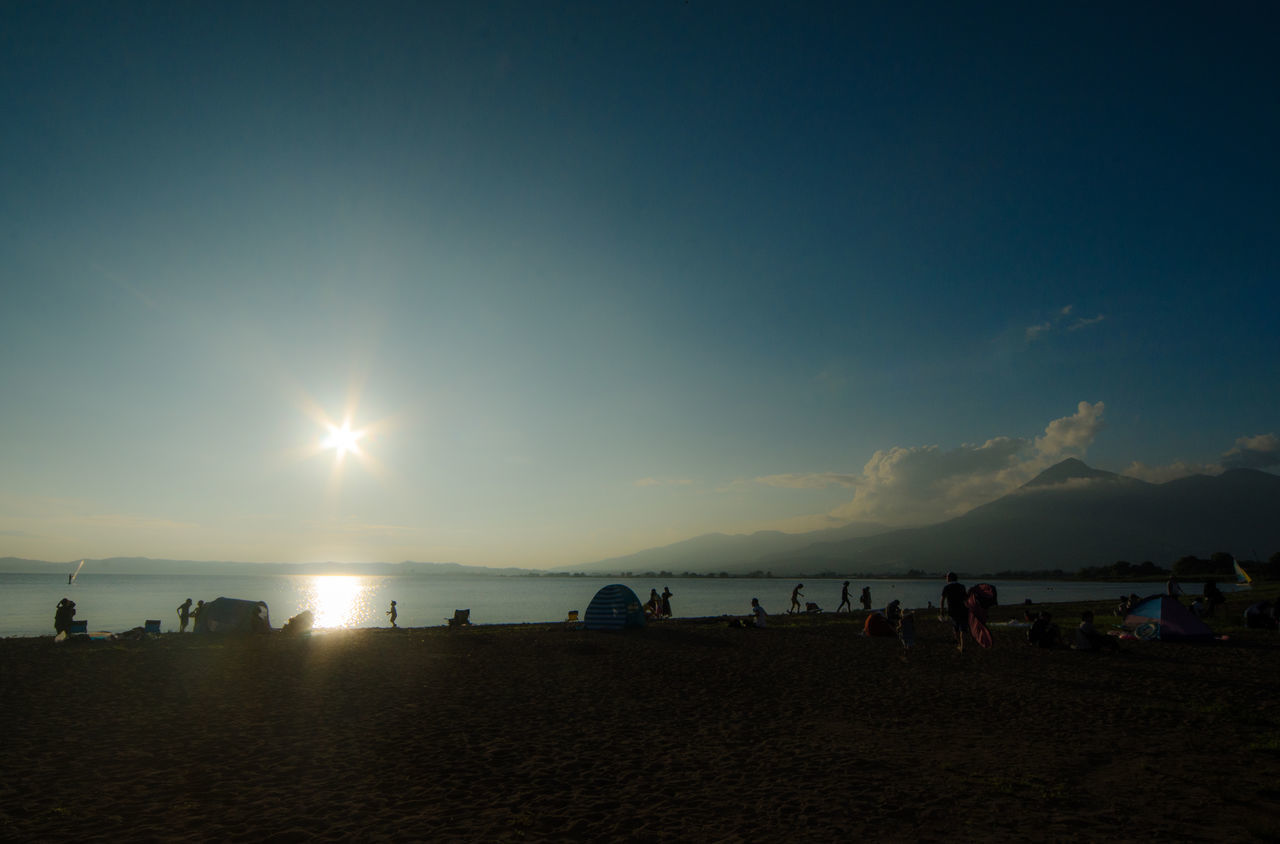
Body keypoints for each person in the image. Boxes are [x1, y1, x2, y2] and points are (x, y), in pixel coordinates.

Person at [940, 572, 968, 652]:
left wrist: (941, 610)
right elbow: (966, 598)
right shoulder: (962, 587)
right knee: (962, 628)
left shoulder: (947, 587)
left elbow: (942, 600)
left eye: (947, 577)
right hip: (963, 610)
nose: (946, 578)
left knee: (956, 629)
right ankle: (963, 645)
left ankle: (960, 644)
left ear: (950, 578)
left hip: (953, 611)